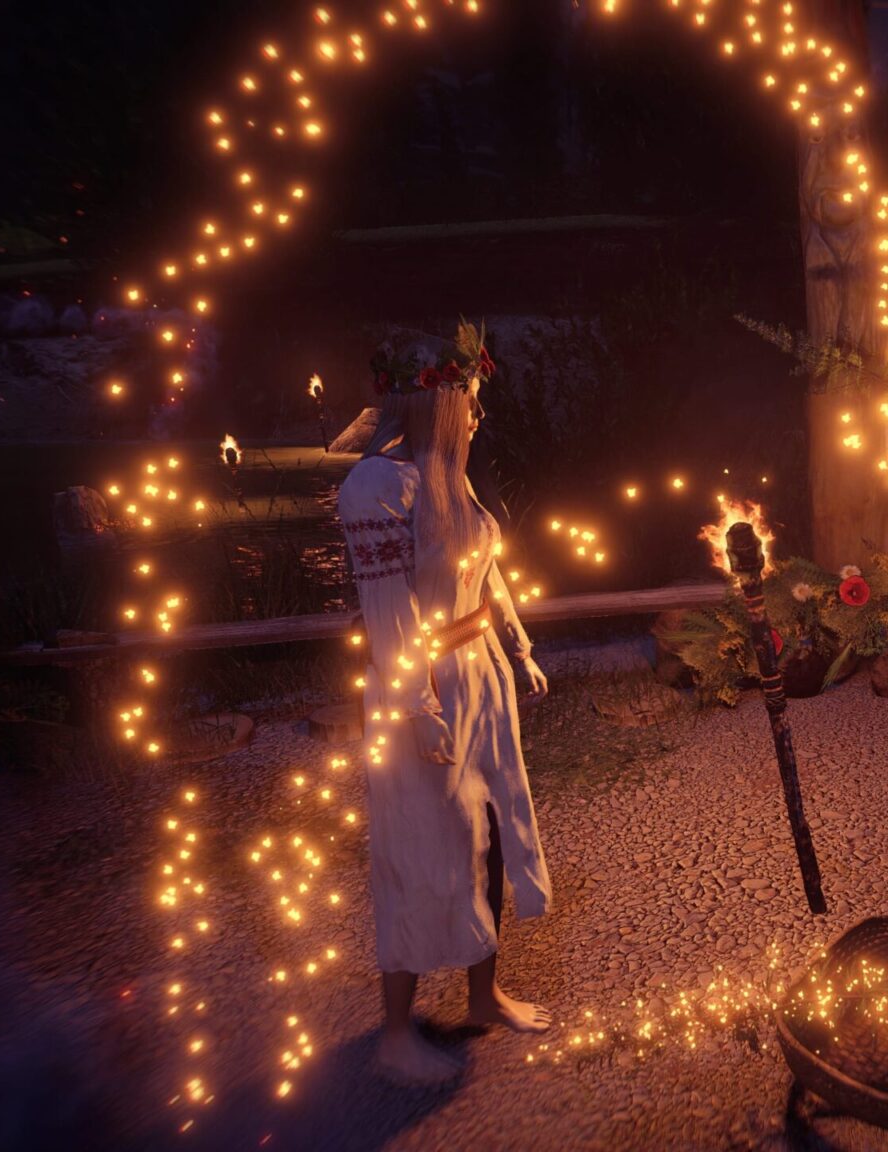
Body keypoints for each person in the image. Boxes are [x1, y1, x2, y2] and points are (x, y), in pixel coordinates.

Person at [337, 324, 554, 1082]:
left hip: (477, 672)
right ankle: (396, 1031)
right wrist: (419, 707)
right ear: (433, 401)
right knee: (421, 845)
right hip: (421, 688)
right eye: (469, 400)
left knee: (484, 832)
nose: (478, 414)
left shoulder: (445, 475)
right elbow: (387, 613)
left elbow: (485, 568)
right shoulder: (374, 487)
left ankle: (483, 995)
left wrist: (519, 646)